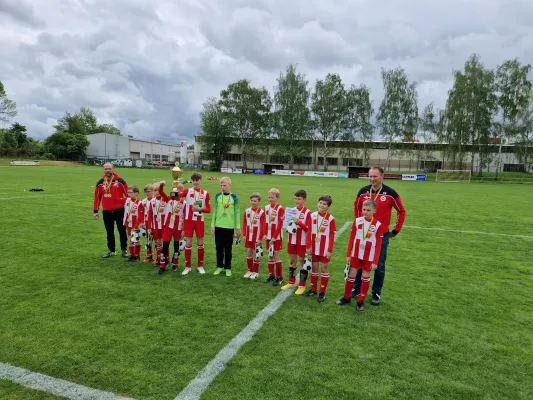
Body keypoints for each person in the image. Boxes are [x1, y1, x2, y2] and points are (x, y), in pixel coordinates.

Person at [352, 166, 406, 305]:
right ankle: (356, 289)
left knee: (379, 265)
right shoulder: (363, 192)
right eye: (370, 176)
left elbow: (401, 211)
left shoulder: (390, 193)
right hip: (363, 235)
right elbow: (357, 208)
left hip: (381, 236)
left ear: (382, 176)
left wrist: (396, 230)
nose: (372, 179)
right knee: (360, 261)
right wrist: (359, 225)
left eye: (375, 176)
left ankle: (376, 293)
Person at [337, 199, 384, 311]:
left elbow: (378, 245)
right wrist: (348, 254)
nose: (365, 212)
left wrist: (375, 261)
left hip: (369, 256)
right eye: (364, 209)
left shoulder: (377, 225)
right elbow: (351, 238)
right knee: (351, 275)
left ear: (374, 211)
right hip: (356, 254)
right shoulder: (357, 221)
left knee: (365, 277)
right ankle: (347, 297)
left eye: (368, 210)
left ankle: (360, 301)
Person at [304, 195, 336, 302]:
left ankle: (322, 293)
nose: (321, 205)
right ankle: (313, 290)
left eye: (324, 204)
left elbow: (331, 236)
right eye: (320, 203)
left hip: (324, 248)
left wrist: (329, 250)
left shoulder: (330, 219)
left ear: (328, 206)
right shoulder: (312, 215)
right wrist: (308, 246)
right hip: (313, 247)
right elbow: (309, 232)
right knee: (314, 268)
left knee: (324, 268)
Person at [93, 163, 128, 258]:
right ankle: (112, 250)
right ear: (103, 170)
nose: (107, 170)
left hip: (119, 210)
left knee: (122, 230)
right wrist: (95, 211)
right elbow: (97, 198)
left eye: (109, 169)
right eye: (105, 169)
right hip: (107, 211)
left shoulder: (120, 181)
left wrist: (121, 201)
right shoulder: (100, 183)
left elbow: (128, 196)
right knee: (109, 232)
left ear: (113, 169)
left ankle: (124, 250)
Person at [180, 172, 211, 275]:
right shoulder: (187, 191)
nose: (195, 182)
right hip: (188, 221)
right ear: (191, 181)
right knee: (188, 244)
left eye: (197, 180)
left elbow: (209, 209)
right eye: (193, 180)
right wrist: (175, 188)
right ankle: (187, 267)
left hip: (199, 221)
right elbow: (176, 196)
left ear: (201, 180)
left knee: (200, 244)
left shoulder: (205, 193)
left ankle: (200, 266)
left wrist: (200, 209)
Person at [211, 177, 241, 277]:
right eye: (221, 185)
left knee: (228, 249)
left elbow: (237, 212)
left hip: (229, 227)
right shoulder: (217, 196)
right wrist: (212, 225)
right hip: (218, 226)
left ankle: (228, 268)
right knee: (219, 248)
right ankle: (219, 266)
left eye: (225, 185)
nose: (222, 187)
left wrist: (238, 227)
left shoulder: (234, 198)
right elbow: (214, 211)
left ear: (230, 185)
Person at [283, 189, 311, 292]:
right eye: (295, 198)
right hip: (292, 240)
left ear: (305, 200)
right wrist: (284, 219)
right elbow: (287, 225)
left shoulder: (308, 213)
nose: (296, 201)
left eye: (299, 199)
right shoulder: (291, 210)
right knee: (292, 261)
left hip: (302, 242)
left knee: (302, 262)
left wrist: (298, 222)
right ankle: (291, 282)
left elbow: (308, 229)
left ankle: (302, 285)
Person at [156, 181, 185, 274]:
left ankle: (175, 264)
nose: (175, 192)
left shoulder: (184, 203)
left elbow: (185, 216)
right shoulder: (168, 199)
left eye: (178, 190)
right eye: (174, 190)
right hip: (168, 226)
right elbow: (161, 192)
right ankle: (162, 265)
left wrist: (183, 229)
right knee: (165, 246)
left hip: (178, 227)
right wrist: (161, 185)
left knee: (176, 246)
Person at [263, 188, 285, 286]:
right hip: (268, 236)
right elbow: (264, 221)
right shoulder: (266, 207)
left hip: (277, 237)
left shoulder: (280, 208)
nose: (270, 199)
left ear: (277, 198)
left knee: (276, 254)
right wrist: (264, 233)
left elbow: (280, 223)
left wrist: (275, 236)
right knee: (270, 255)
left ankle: (280, 277)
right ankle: (271, 275)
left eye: (272, 197)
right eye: (269, 197)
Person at [242, 192, 266, 279]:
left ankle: (256, 272)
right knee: (249, 252)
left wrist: (260, 238)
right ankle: (250, 270)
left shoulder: (262, 212)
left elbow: (263, 226)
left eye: (255, 201)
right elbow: (244, 223)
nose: (253, 202)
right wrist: (244, 234)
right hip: (249, 236)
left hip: (257, 236)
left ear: (259, 201)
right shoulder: (247, 211)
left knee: (256, 253)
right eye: (251, 200)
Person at [146, 181, 168, 267]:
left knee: (164, 243)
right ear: (153, 191)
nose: (157, 192)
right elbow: (150, 214)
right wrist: (149, 227)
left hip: (164, 225)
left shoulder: (166, 199)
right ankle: (159, 259)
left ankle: (166, 259)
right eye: (155, 190)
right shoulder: (152, 201)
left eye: (159, 190)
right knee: (158, 242)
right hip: (155, 225)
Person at [123, 185, 143, 262]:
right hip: (129, 223)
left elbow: (140, 215)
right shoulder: (127, 200)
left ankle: (137, 255)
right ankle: (132, 255)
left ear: (136, 193)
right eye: (128, 192)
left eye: (131, 192)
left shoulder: (139, 203)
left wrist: (137, 224)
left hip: (136, 223)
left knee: (136, 239)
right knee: (130, 239)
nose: (129, 194)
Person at [140, 184, 155, 263]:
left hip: (155, 222)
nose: (147, 193)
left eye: (149, 191)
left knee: (157, 239)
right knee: (149, 239)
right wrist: (142, 221)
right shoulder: (143, 201)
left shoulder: (156, 200)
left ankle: (158, 257)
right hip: (147, 222)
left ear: (153, 191)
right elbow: (141, 212)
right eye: (145, 192)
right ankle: (149, 255)